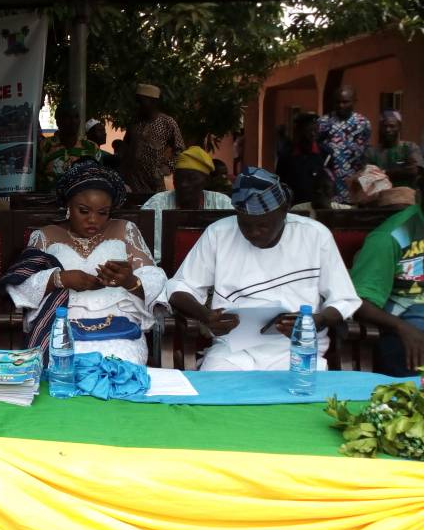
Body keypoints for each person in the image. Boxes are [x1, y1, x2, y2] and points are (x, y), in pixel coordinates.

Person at [166, 167, 360, 371]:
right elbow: (179, 287)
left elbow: (344, 299)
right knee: (216, 384)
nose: (254, 233)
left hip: (296, 347)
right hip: (232, 349)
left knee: (302, 388)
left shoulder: (315, 235)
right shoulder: (219, 233)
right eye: (245, 225)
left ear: (284, 211)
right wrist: (205, 316)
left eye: (263, 225)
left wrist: (317, 320)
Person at [0, 162, 166, 363]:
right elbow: (21, 284)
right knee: (62, 363)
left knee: (120, 361)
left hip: (118, 323)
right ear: (68, 206)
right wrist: (61, 279)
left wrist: (129, 281)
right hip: (59, 321)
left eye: (103, 212)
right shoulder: (45, 236)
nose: (93, 220)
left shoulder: (126, 230)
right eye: (84, 211)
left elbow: (154, 278)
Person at [350, 190, 424, 376]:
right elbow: (358, 302)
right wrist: (402, 327)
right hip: (405, 328)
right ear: (419, 192)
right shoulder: (390, 236)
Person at [141, 146, 233, 262]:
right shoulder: (156, 205)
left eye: (192, 179)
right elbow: (145, 252)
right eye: (179, 178)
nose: (183, 184)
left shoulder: (222, 204)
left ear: (206, 181)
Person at [121, 83, 185, 194]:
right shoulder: (135, 121)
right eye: (137, 101)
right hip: (131, 183)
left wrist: (166, 168)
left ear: (153, 102)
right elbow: (126, 145)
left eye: (141, 101)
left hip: (154, 184)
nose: (138, 105)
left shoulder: (167, 123)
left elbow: (180, 151)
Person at [318, 85, 371, 204]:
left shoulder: (363, 123)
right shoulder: (323, 123)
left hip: (355, 183)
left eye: (345, 102)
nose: (341, 105)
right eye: (338, 102)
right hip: (331, 184)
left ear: (354, 101)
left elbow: (366, 153)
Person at [37, 102, 99, 190]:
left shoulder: (91, 147)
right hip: (51, 197)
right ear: (58, 121)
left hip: (83, 196)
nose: (73, 121)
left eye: (76, 117)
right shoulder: (44, 146)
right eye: (68, 117)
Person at [275, 112, 332, 206]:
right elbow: (280, 184)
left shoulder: (325, 154)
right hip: (295, 207)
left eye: (315, 130)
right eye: (309, 131)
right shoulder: (287, 155)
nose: (312, 134)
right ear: (299, 131)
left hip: (318, 207)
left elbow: (330, 182)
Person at [364, 109, 422, 189]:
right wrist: (400, 171)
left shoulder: (410, 147)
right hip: (381, 195)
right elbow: (367, 179)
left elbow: (413, 171)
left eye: (392, 126)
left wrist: (382, 173)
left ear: (399, 127)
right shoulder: (371, 152)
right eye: (384, 126)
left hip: (407, 195)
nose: (388, 130)